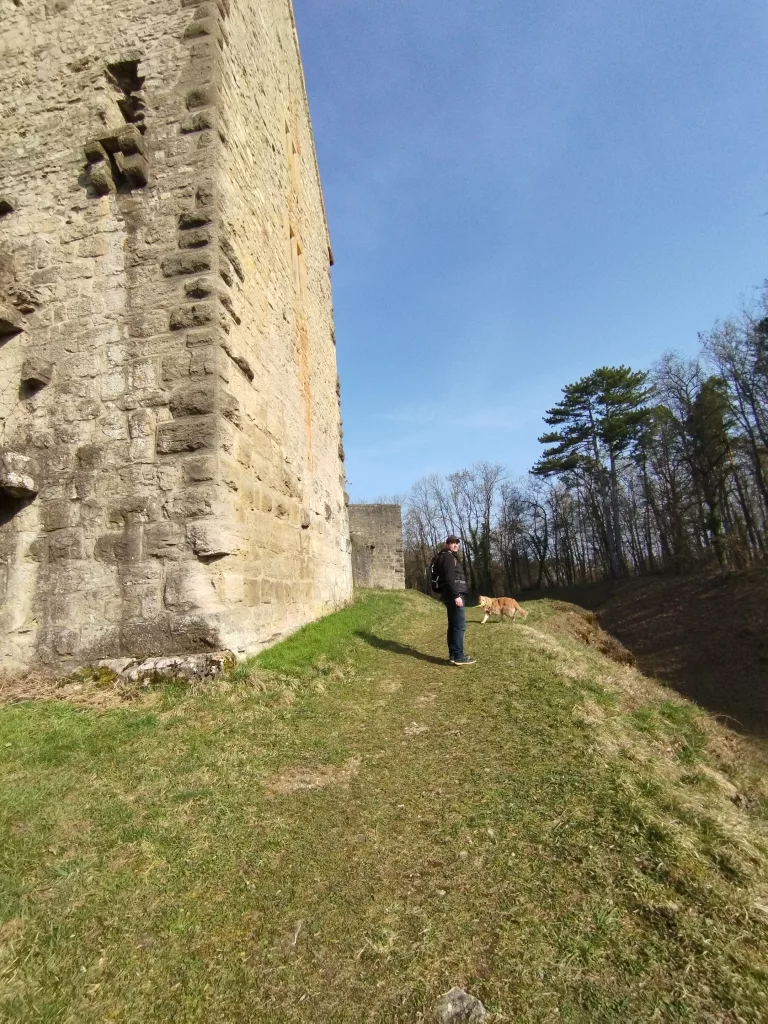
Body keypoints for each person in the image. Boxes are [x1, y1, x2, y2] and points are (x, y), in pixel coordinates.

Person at [435, 535, 476, 665]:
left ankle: (453, 654)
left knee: (453, 626)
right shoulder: (448, 557)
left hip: (450, 594)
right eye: (452, 543)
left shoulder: (446, 556)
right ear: (447, 544)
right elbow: (449, 579)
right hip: (454, 595)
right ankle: (458, 655)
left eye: (457, 543)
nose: (455, 545)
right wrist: (456, 595)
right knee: (459, 626)